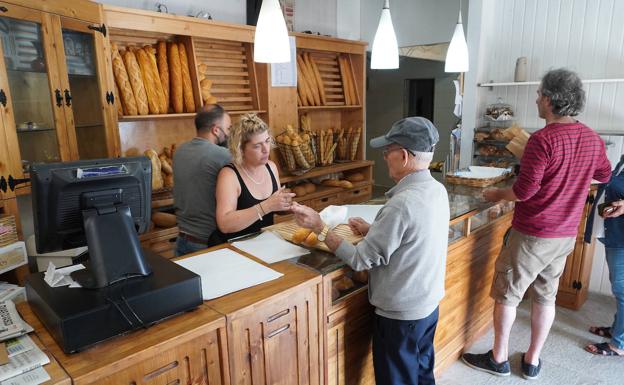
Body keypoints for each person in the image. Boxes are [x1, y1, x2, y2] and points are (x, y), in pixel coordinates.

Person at [462, 68, 612, 379]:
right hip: (565, 234)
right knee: (546, 296)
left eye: (538, 94)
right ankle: (531, 361)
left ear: (548, 99)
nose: (536, 99)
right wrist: (574, 177)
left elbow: (523, 191)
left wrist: (494, 194)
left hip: (532, 234)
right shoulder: (591, 138)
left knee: (508, 294)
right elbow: (605, 175)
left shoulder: (542, 140)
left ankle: (498, 358)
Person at [291, 117, 449, 385]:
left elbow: (361, 259)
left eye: (387, 152)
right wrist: (374, 229)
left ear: (403, 156)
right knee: (422, 373)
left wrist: (320, 227)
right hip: (428, 306)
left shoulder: (401, 203)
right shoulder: (436, 189)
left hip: (400, 316)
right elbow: (413, 233)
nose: (385, 157)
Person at [215, 113, 294, 240]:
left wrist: (290, 207)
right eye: (257, 146)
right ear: (240, 149)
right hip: (234, 247)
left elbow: (275, 208)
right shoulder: (229, 175)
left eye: (267, 141)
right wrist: (267, 206)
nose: (266, 150)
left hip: (264, 242)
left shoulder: (271, 167)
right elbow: (225, 224)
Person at [173, 104, 232, 256]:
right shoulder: (222, 155)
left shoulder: (180, 151)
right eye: (228, 129)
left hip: (181, 240)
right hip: (207, 245)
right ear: (216, 130)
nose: (228, 134)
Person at [584, 154, 624, 357]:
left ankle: (619, 344)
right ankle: (617, 330)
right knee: (619, 288)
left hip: (621, 238)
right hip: (615, 234)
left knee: (622, 289)